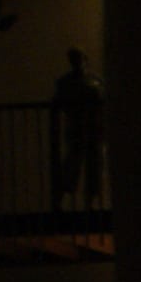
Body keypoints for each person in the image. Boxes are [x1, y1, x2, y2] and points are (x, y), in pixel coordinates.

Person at [49, 48, 104, 208]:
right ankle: (62, 199)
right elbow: (58, 101)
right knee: (72, 164)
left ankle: (89, 202)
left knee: (93, 165)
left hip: (93, 128)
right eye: (74, 58)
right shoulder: (66, 82)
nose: (77, 62)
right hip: (77, 127)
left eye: (78, 58)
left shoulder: (95, 80)